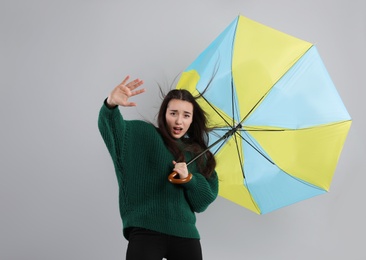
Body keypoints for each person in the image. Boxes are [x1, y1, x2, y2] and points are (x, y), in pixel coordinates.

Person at [98, 75, 218, 260]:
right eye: (173, 113)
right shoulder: (143, 134)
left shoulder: (197, 154)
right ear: (164, 114)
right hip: (146, 230)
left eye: (186, 115)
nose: (179, 121)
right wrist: (111, 105)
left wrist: (189, 179)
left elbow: (202, 202)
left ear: (193, 120)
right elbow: (113, 132)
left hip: (186, 235)